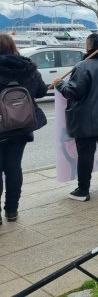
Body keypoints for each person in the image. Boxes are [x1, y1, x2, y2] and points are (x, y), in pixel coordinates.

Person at [52, 34, 98, 201]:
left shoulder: (83, 66)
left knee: (86, 153)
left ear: (90, 47)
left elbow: (72, 91)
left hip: (87, 119)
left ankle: (83, 190)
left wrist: (59, 83)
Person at [0, 34, 47, 223]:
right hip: (21, 127)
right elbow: (41, 91)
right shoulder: (28, 68)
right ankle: (12, 211)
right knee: (14, 167)